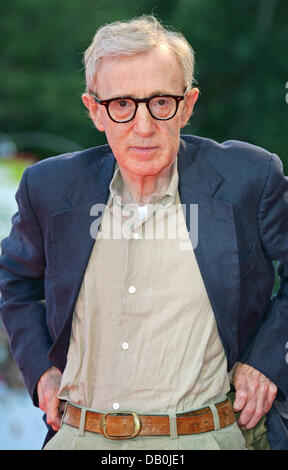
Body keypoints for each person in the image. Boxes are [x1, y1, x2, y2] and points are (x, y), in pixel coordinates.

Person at [0, 15, 288, 451]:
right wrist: (39, 367)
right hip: (80, 439)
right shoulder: (50, 189)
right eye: (121, 105)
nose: (144, 126)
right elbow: (13, 282)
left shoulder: (250, 179)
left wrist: (267, 361)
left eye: (161, 102)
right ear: (95, 110)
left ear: (187, 105)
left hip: (208, 439)